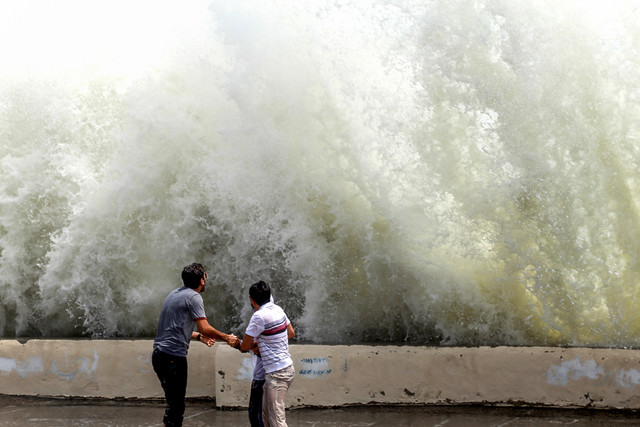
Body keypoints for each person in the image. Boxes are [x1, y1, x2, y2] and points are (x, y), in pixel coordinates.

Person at [152, 263, 239, 427]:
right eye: (205, 276)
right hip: (172, 357)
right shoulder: (194, 297)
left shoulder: (174, 295)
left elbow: (174, 330)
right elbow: (205, 327)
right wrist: (227, 337)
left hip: (159, 355)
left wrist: (199, 337)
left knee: (174, 404)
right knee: (176, 406)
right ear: (202, 280)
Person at [239, 281, 295, 427]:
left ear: (252, 300)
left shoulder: (259, 317)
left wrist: (259, 343)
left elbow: (245, 345)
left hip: (277, 374)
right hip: (284, 369)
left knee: (277, 421)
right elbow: (291, 333)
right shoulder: (278, 309)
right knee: (267, 417)